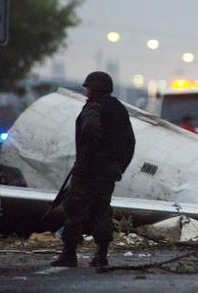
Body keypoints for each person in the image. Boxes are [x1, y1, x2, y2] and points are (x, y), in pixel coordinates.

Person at [51, 71, 135, 268]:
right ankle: (101, 254)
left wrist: (87, 159)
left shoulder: (94, 106)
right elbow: (130, 141)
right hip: (109, 171)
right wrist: (118, 166)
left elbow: (90, 129)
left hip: (89, 170)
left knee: (74, 208)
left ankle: (69, 253)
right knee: (102, 209)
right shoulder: (118, 108)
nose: (86, 91)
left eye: (88, 87)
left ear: (94, 89)